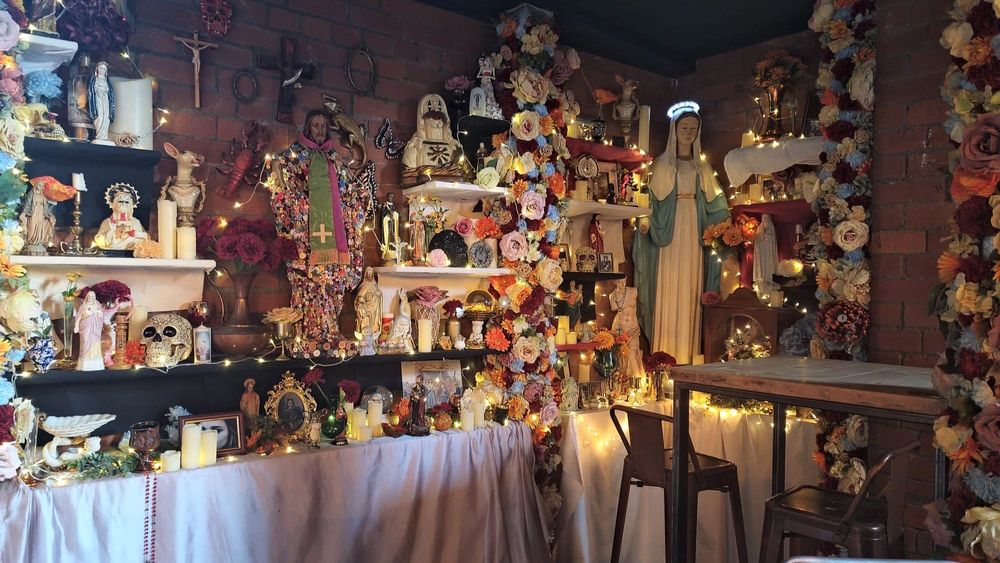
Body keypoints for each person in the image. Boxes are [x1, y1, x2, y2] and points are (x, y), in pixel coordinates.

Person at [633, 101, 729, 365]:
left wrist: (726, 224)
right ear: (674, 130)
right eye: (684, 127)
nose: (689, 132)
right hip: (669, 236)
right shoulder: (662, 165)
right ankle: (664, 354)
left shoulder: (702, 167)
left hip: (694, 234)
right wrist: (645, 222)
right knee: (668, 285)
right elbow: (649, 202)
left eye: (693, 128)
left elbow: (717, 203)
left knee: (690, 287)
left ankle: (688, 355)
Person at [268, 109, 371, 356]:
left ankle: (331, 332)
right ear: (307, 128)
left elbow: (347, 190)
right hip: (308, 238)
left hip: (335, 240)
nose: (320, 130)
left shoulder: (334, 159)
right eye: (315, 125)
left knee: (332, 286)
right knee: (309, 285)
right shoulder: (297, 156)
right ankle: (307, 334)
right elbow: (286, 184)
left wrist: (359, 197)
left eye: (324, 126)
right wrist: (278, 176)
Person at [75, 291, 108, 371]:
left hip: (95, 329)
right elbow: (78, 317)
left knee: (95, 343)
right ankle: (84, 360)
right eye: (88, 296)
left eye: (91, 296)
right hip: (85, 327)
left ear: (94, 297)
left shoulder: (97, 305)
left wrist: (97, 313)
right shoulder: (83, 306)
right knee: (85, 341)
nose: (90, 297)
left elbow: (101, 316)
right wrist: (76, 326)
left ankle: (95, 360)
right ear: (86, 296)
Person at [88, 61, 114, 144]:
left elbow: (111, 93)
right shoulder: (93, 80)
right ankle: (99, 135)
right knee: (99, 116)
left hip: (105, 100)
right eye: (100, 68)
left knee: (106, 116)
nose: (102, 70)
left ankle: (104, 136)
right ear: (97, 69)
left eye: (104, 68)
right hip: (97, 99)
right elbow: (91, 92)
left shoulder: (107, 81)